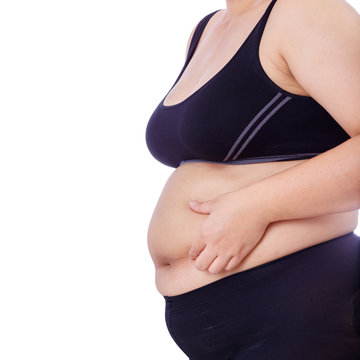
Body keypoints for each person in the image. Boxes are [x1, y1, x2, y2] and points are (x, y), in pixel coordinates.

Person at [145, 0, 360, 358]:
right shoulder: (208, 29)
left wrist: (256, 206)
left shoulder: (307, 11)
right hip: (214, 319)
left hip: (297, 301)